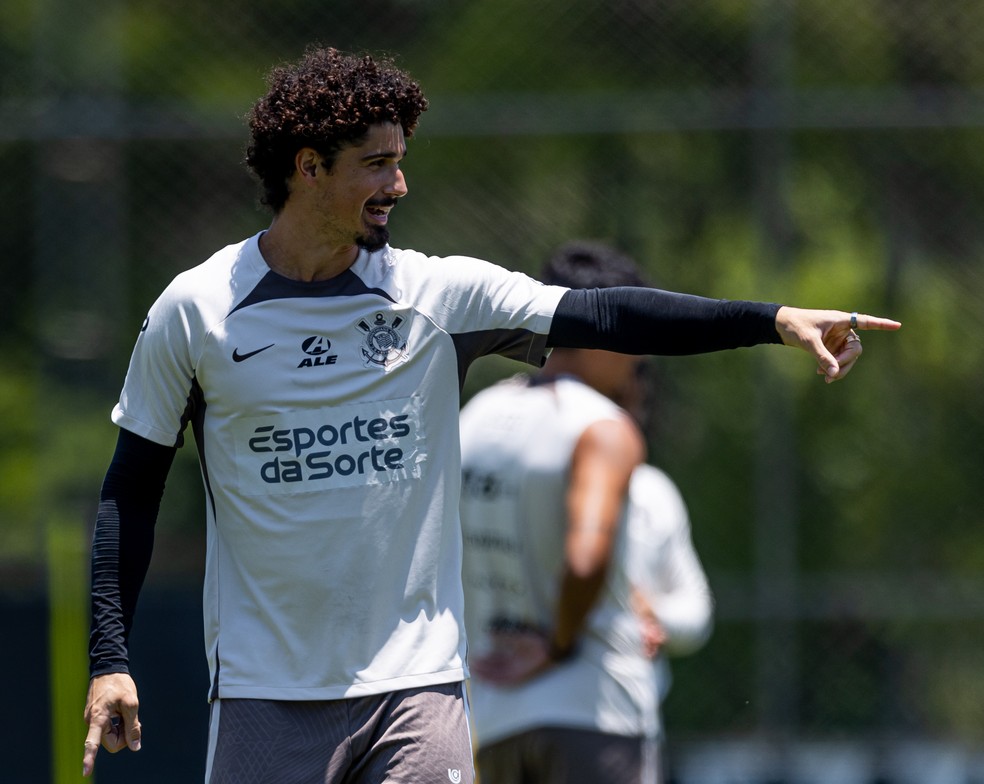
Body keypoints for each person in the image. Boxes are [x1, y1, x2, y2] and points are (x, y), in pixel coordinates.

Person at [81, 46, 900, 783]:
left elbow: (606, 314)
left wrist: (774, 320)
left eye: (401, 161)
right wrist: (109, 657)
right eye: (376, 164)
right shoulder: (196, 312)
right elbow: (130, 491)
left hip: (420, 686)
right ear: (308, 168)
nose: (398, 185)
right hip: (267, 688)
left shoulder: (437, 294)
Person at [458, 242, 713, 783]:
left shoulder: (475, 418)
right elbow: (585, 555)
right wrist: (558, 645)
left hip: (494, 715)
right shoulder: (601, 426)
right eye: (635, 327)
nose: (643, 352)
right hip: (594, 714)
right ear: (605, 323)